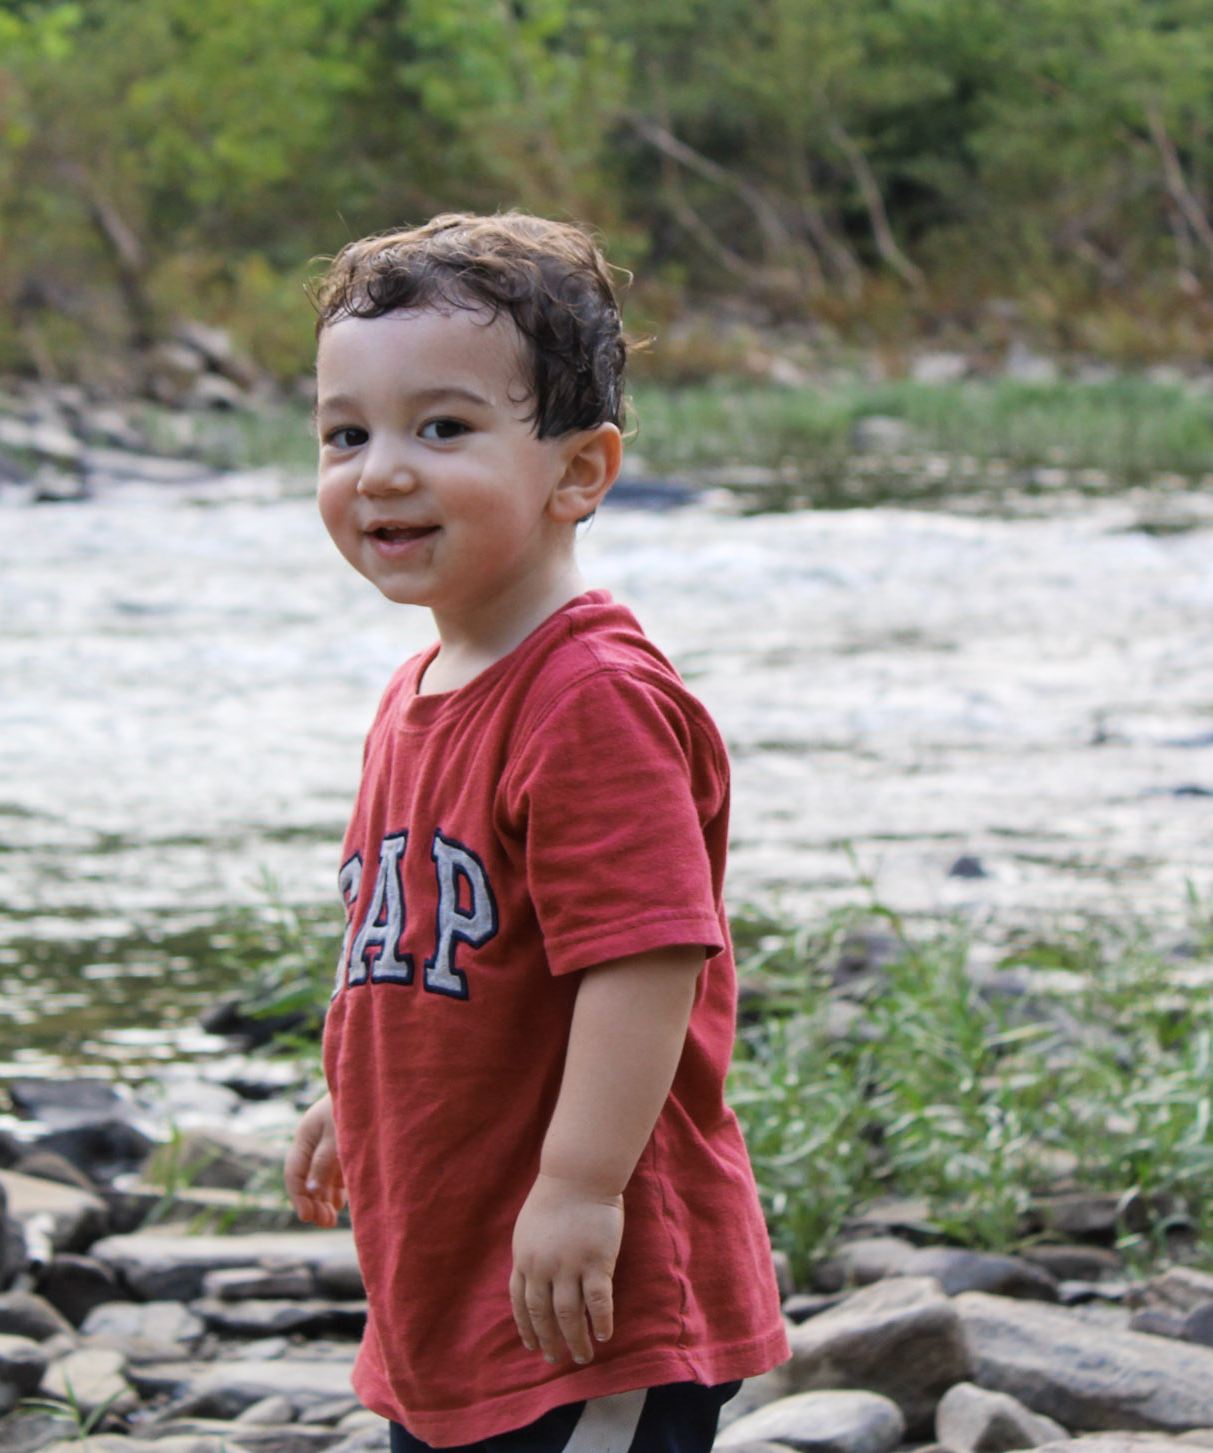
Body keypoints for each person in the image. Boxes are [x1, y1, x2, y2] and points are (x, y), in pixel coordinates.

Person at [283, 212, 789, 1453]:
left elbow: (645, 958)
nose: (380, 470)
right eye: (346, 434)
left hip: (587, 1303)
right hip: (455, 1278)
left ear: (579, 472)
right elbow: (420, 937)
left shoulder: (588, 698)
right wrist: (350, 1084)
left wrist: (580, 1187)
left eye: (440, 427)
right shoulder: (417, 696)